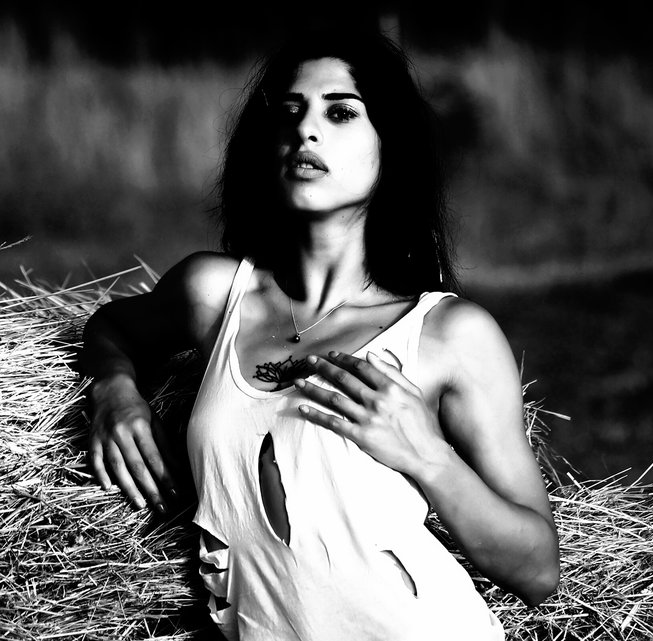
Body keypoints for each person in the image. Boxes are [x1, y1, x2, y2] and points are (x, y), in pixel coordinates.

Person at [80, 27, 559, 641]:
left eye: (340, 112)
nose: (305, 129)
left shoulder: (448, 335)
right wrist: (114, 393)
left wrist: (427, 454)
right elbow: (112, 328)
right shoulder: (215, 294)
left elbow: (537, 568)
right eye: (289, 111)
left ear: (391, 146)